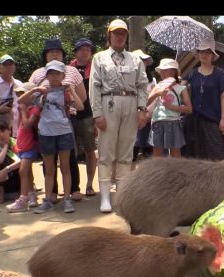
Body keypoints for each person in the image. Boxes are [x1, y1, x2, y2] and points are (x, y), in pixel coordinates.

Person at [89, 19, 148, 213]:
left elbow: (142, 85)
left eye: (123, 33)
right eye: (116, 33)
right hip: (109, 102)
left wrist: (142, 109)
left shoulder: (135, 60)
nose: (120, 36)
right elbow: (94, 86)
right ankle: (105, 198)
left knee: (126, 153)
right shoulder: (99, 58)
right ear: (109, 35)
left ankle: (121, 197)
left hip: (130, 103)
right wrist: (97, 113)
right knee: (106, 152)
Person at [21, 60, 84, 214]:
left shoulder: (66, 91)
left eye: (57, 73)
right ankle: (48, 199)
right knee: (49, 169)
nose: (54, 76)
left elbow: (80, 106)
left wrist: (72, 91)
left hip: (63, 132)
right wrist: (36, 89)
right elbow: (21, 101)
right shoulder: (42, 92)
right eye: (51, 73)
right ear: (46, 75)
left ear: (63, 75)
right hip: (46, 133)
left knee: (65, 167)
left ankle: (67, 199)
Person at [29, 38, 86, 202]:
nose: (55, 53)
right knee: (49, 159)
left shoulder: (72, 71)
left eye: (58, 51)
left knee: (69, 157)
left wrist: (70, 103)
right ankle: (51, 192)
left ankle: (73, 189)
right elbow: (29, 97)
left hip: (68, 118)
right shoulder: (37, 74)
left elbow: (82, 97)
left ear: (63, 54)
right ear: (45, 55)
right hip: (45, 120)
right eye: (51, 51)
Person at [181, 38, 224, 160]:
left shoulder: (220, 74)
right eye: (201, 52)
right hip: (193, 120)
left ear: (212, 55)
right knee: (193, 156)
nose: (204, 55)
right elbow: (179, 87)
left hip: (212, 120)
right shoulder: (192, 73)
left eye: (207, 52)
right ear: (198, 54)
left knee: (217, 155)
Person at [5, 82, 40, 213]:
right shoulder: (23, 109)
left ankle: (22, 199)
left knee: (23, 171)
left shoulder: (34, 109)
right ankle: (31, 196)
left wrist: (24, 112)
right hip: (23, 146)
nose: (20, 97)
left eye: (23, 94)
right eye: (19, 94)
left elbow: (27, 126)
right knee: (28, 172)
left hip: (30, 146)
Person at [70, 38, 97, 197]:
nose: (85, 52)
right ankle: (73, 187)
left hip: (88, 115)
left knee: (90, 151)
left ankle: (89, 184)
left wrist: (96, 118)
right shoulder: (67, 69)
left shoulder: (95, 69)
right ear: (76, 51)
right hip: (70, 115)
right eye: (82, 49)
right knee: (69, 152)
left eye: (88, 49)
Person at [147, 58, 192, 157]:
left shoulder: (181, 88)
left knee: (175, 153)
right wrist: (157, 93)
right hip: (157, 121)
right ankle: (157, 172)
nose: (162, 72)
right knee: (157, 153)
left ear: (174, 71)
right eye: (161, 70)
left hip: (174, 121)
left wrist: (170, 107)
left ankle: (176, 172)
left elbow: (189, 109)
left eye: (165, 69)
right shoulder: (158, 86)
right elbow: (146, 102)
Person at [0, 121, 21, 204]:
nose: (1, 135)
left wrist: (6, 169)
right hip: (0, 183)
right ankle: (0, 191)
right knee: (1, 161)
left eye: (3, 131)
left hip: (15, 182)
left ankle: (22, 192)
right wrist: (5, 146)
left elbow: (22, 161)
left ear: (9, 131)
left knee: (24, 164)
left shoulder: (16, 143)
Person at [132, 49, 155, 164]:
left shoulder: (153, 81)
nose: (142, 63)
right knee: (132, 150)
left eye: (144, 60)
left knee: (148, 149)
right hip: (132, 118)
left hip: (149, 118)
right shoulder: (128, 79)